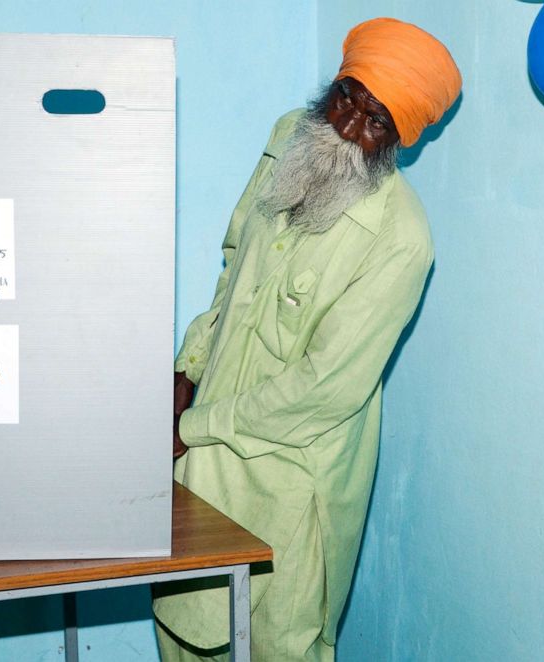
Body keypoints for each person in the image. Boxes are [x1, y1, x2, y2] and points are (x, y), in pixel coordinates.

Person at [153, 17, 462, 662]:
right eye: (346, 96)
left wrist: (189, 427)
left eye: (375, 121)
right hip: (206, 450)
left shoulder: (402, 240)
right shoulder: (291, 135)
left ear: (402, 138)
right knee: (184, 625)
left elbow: (323, 390)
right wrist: (186, 373)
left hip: (295, 482)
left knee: (277, 644)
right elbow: (236, 264)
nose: (347, 126)